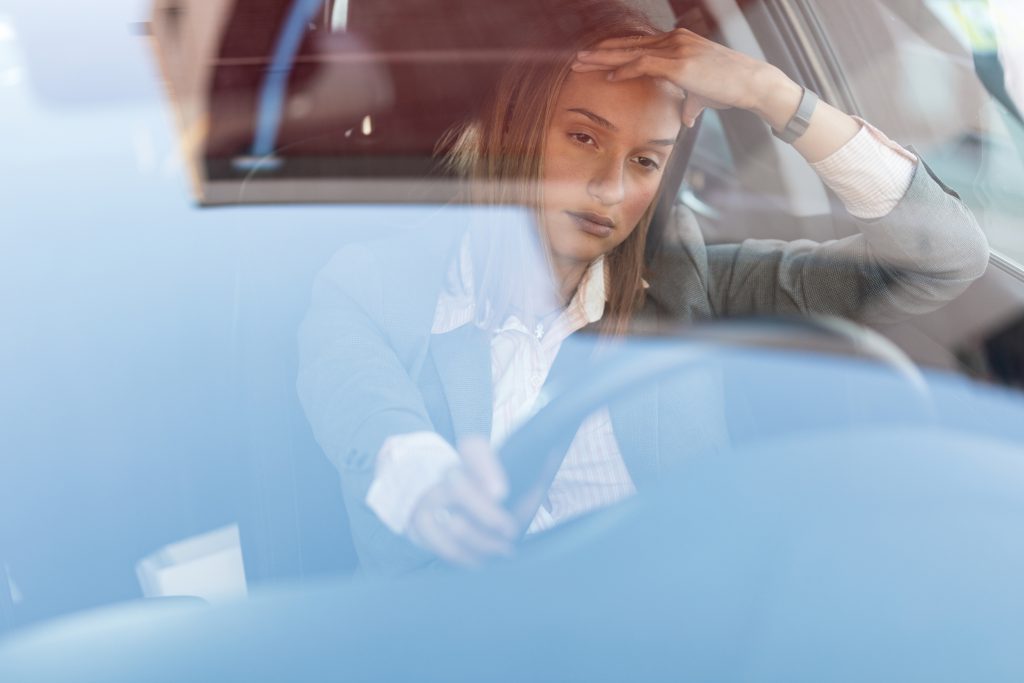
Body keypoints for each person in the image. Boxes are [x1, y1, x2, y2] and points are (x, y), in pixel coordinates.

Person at [297, 0, 989, 574]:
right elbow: (372, 421)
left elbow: (943, 259)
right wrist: (433, 489)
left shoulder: (690, 283)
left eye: (645, 161)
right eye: (584, 138)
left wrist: (771, 94)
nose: (610, 188)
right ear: (515, 131)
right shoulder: (371, 288)